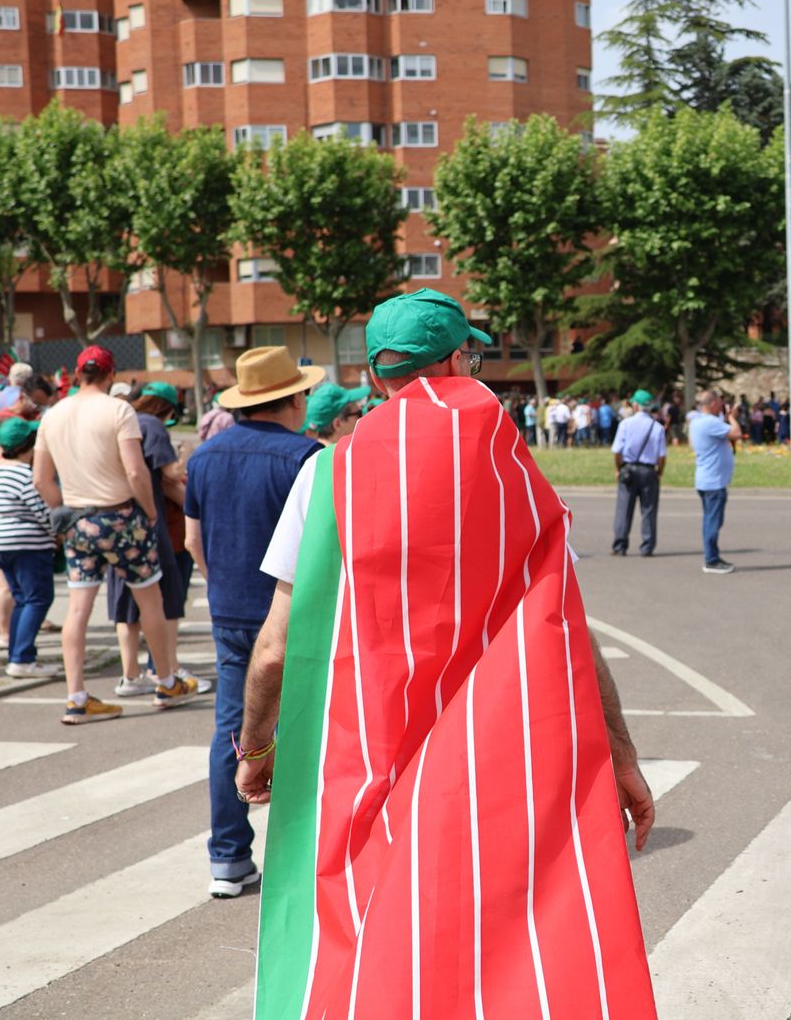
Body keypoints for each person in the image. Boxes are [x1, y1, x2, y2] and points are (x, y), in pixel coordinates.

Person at [235, 289, 656, 1018]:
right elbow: (568, 627)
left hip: (366, 760)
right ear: (462, 360)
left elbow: (274, 649)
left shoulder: (327, 476)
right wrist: (620, 754)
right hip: (503, 763)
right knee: (508, 960)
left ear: (374, 377)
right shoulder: (514, 474)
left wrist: (254, 744)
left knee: (369, 954)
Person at [184, 346, 323, 898]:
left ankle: (228, 858)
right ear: (292, 398)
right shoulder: (309, 458)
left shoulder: (202, 457)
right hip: (291, 612)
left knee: (234, 731)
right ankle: (302, 858)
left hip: (228, 607)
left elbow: (193, 540)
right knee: (306, 732)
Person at [33, 347, 198, 725]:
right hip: (120, 515)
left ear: (77, 374)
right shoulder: (118, 410)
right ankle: (167, 680)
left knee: (78, 609)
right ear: (109, 376)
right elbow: (137, 472)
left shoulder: (53, 415)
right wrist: (151, 512)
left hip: (78, 518)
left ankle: (76, 696)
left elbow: (41, 478)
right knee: (150, 600)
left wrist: (67, 508)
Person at [108, 382, 205, 699]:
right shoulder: (152, 425)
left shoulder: (119, 420)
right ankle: (169, 671)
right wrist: (187, 455)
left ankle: (130, 675)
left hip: (113, 521)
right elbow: (172, 474)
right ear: (165, 408)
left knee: (125, 604)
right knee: (166, 599)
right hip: (148, 525)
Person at [0, 419, 58, 678]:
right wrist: (58, 532)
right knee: (38, 598)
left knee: (23, 599)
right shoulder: (24, 474)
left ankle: (18, 655)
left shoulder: (1, 468)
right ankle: (22, 658)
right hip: (26, 544)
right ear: (29, 444)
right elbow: (42, 511)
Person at [689, 389, 742, 575]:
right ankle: (711, 559)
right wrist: (732, 418)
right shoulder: (710, 423)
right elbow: (736, 434)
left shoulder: (698, 421)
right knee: (713, 521)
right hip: (713, 481)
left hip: (707, 479)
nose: (721, 405)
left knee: (711, 520)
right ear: (711, 404)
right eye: (719, 402)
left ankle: (713, 556)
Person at [610, 388, 667, 557]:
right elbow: (661, 456)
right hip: (649, 470)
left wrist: (618, 468)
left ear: (636, 406)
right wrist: (659, 472)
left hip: (629, 468)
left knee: (624, 508)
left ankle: (620, 545)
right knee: (648, 509)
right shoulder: (657, 427)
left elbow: (617, 451)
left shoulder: (625, 424)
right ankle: (647, 546)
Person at [303, 382, 368, 444]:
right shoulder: (346, 455)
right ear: (337, 424)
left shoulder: (313, 453)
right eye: (359, 414)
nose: (364, 417)